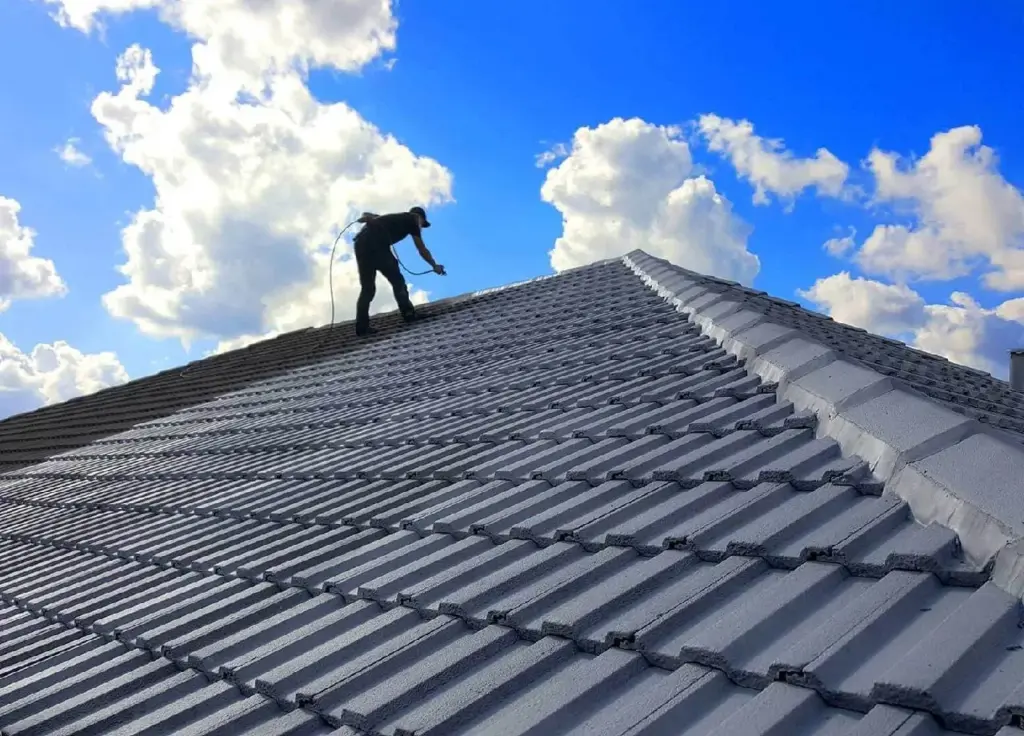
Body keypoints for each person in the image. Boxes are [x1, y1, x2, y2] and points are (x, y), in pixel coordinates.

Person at [351, 206, 446, 337]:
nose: (420, 228)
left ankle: (362, 327)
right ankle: (409, 314)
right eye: (422, 224)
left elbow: (369, 215)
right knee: (398, 281)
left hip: (360, 246)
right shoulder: (413, 219)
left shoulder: (393, 218)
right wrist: (434, 265)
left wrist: (368, 217)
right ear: (420, 218)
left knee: (367, 289)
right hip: (378, 247)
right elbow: (421, 248)